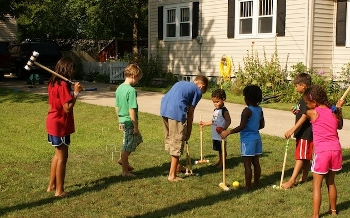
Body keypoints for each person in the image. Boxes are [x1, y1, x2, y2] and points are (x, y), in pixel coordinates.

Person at [302, 85, 343, 217]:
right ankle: (334, 211)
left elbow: (301, 111)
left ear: (314, 102)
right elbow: (340, 125)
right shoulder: (333, 111)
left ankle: (315, 215)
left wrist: (296, 110)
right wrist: (339, 109)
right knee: (330, 182)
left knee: (317, 185)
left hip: (322, 152)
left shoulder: (313, 112)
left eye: (307, 102)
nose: (307, 105)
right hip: (336, 149)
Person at [160, 75, 209, 181]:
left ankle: (177, 166)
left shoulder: (180, 83)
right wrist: (189, 131)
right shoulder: (197, 91)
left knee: (171, 140)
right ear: (201, 86)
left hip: (164, 110)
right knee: (177, 142)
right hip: (176, 112)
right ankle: (172, 175)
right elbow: (191, 112)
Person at [46, 57, 82, 197]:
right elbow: (67, 108)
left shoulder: (52, 83)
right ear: (67, 70)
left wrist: (73, 92)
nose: (73, 72)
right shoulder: (63, 84)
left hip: (52, 121)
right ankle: (59, 191)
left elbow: (56, 102)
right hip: (60, 124)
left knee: (57, 155)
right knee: (63, 157)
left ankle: (52, 185)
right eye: (72, 69)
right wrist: (76, 93)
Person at [220, 85, 265, 190]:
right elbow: (262, 125)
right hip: (257, 138)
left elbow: (242, 126)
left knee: (247, 164)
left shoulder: (246, 111)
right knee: (256, 162)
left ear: (247, 98)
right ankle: (256, 183)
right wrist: (253, 128)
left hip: (247, 140)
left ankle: (248, 187)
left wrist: (228, 132)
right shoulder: (259, 109)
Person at [283, 73, 313, 189]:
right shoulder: (305, 97)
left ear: (303, 85)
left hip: (305, 131)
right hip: (305, 132)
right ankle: (304, 177)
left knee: (300, 156)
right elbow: (303, 111)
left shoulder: (308, 97)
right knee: (305, 156)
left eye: (297, 86)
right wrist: (297, 110)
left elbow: (305, 116)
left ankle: (292, 180)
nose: (295, 88)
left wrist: (292, 130)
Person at [115, 63, 143, 177]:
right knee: (126, 147)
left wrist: (119, 120)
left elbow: (116, 107)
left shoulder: (119, 88)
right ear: (133, 76)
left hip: (123, 120)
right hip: (129, 122)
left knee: (137, 140)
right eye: (138, 79)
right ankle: (125, 172)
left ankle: (123, 160)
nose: (137, 81)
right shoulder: (131, 90)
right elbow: (132, 110)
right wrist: (135, 126)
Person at [200, 89, 231, 168]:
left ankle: (222, 163)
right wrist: (205, 123)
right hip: (215, 134)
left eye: (217, 101)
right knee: (219, 149)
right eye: (214, 102)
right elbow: (213, 121)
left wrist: (224, 129)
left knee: (222, 149)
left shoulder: (224, 111)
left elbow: (229, 121)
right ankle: (219, 161)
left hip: (221, 134)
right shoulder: (216, 110)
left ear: (223, 99)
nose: (215, 104)